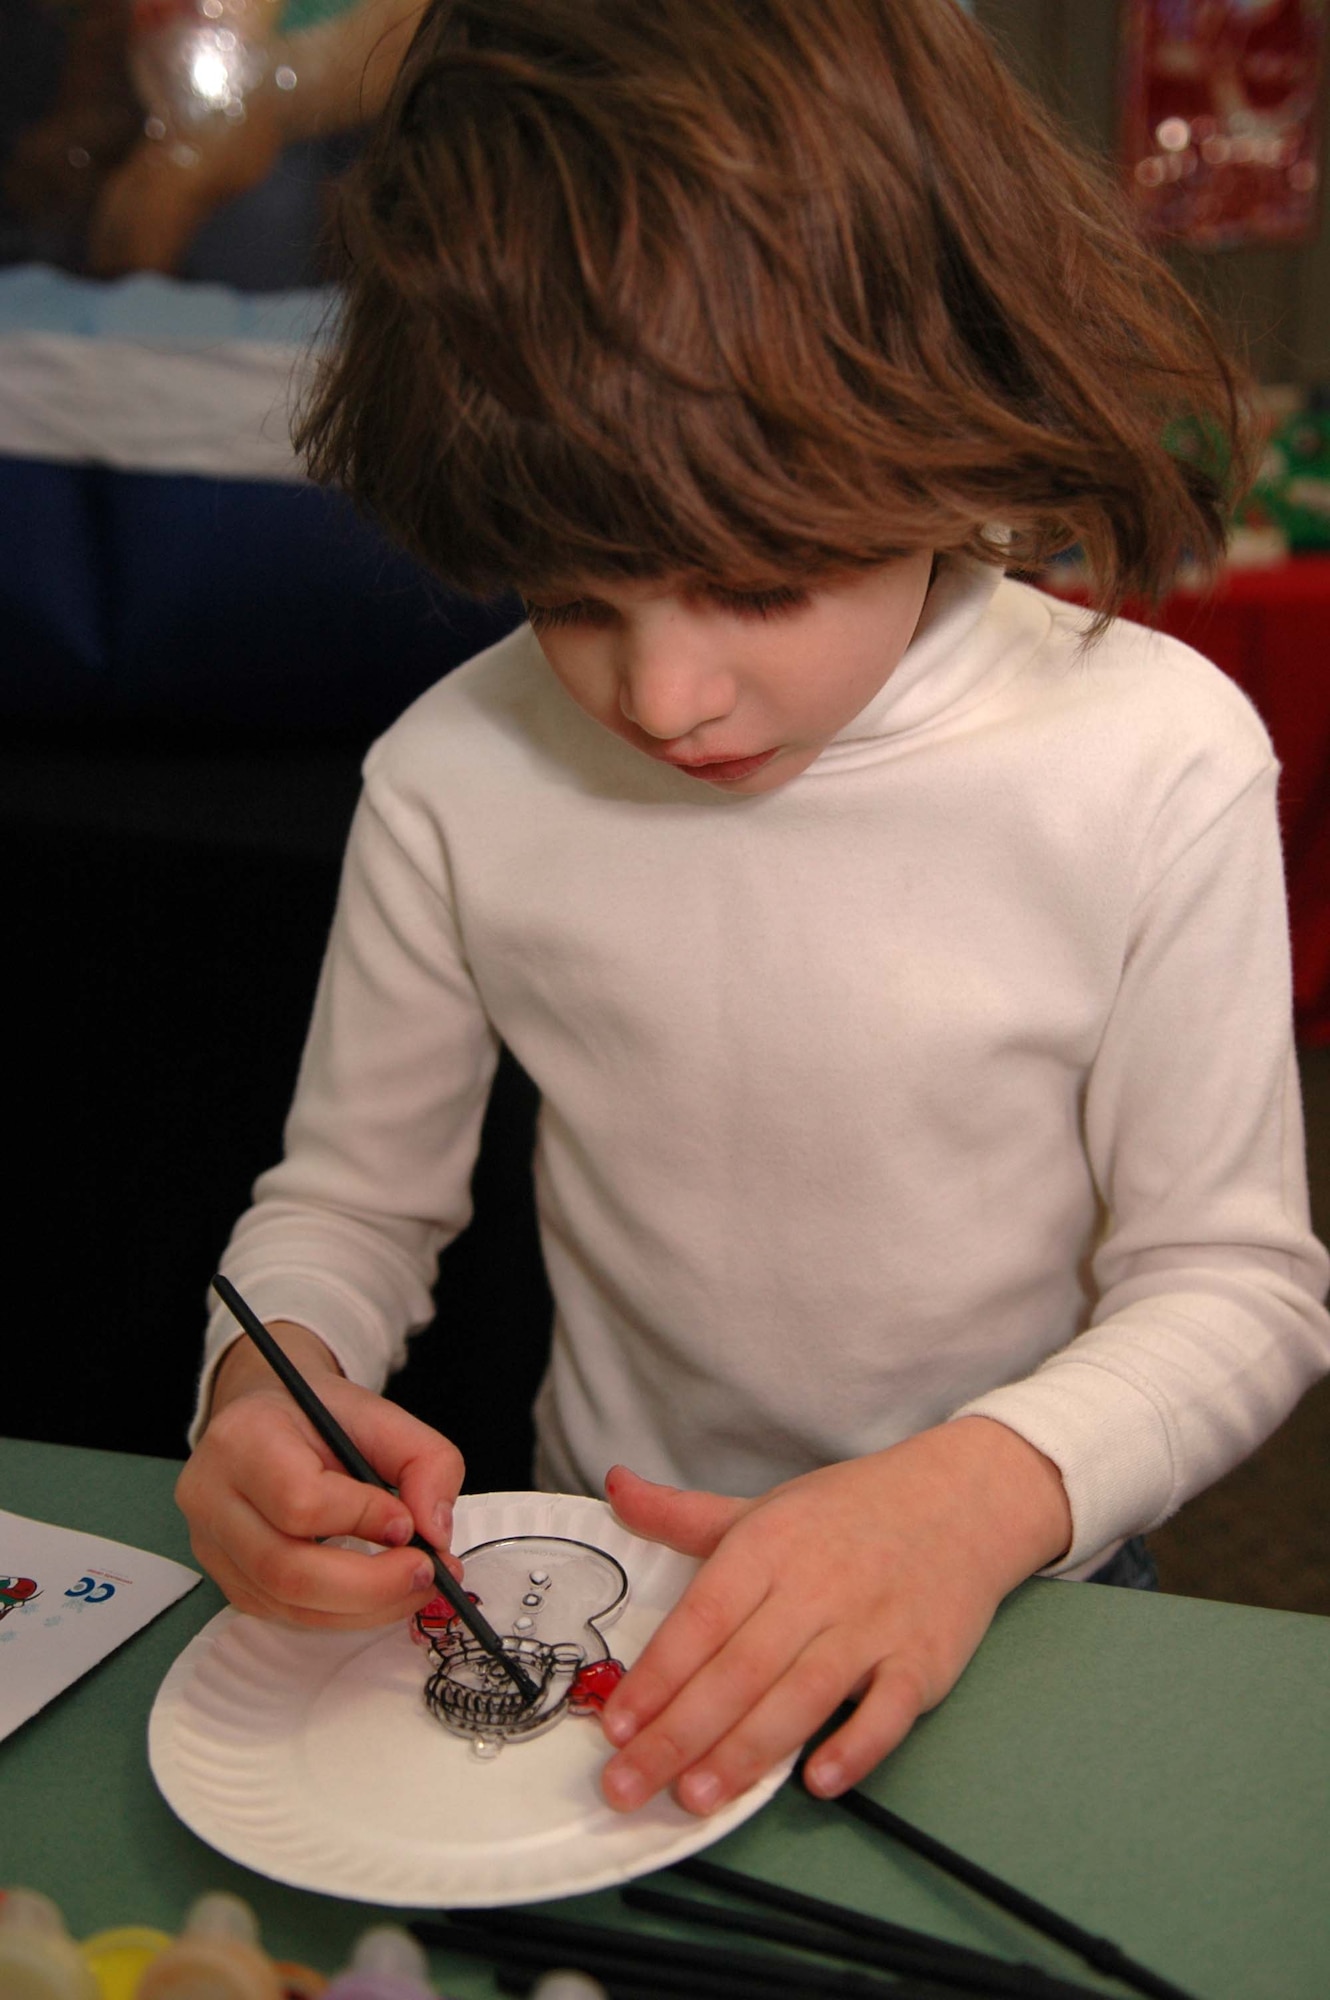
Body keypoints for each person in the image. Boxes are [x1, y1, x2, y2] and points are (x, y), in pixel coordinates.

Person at [177, 0, 1330, 1821]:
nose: (662, 697)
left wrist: (968, 1496)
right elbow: (347, 1202)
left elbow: (1235, 1286)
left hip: (1028, 1576)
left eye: (761, 574)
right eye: (571, 596)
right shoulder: (450, 777)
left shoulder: (1149, 757)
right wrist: (263, 1388)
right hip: (610, 1590)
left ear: (942, 421)